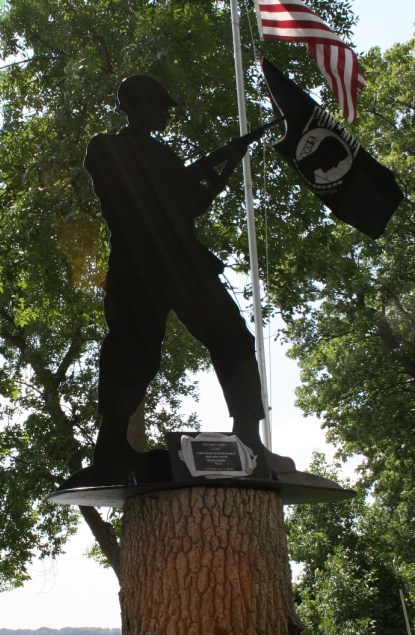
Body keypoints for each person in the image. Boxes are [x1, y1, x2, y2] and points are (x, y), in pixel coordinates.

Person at [73, 74, 297, 487]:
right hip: (139, 263)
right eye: (161, 104)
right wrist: (181, 179)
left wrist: (228, 160)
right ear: (138, 105)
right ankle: (110, 448)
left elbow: (193, 204)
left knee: (232, 337)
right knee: (130, 353)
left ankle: (248, 438)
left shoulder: (164, 156)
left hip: (182, 261)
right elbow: (133, 194)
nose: (167, 113)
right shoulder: (106, 147)